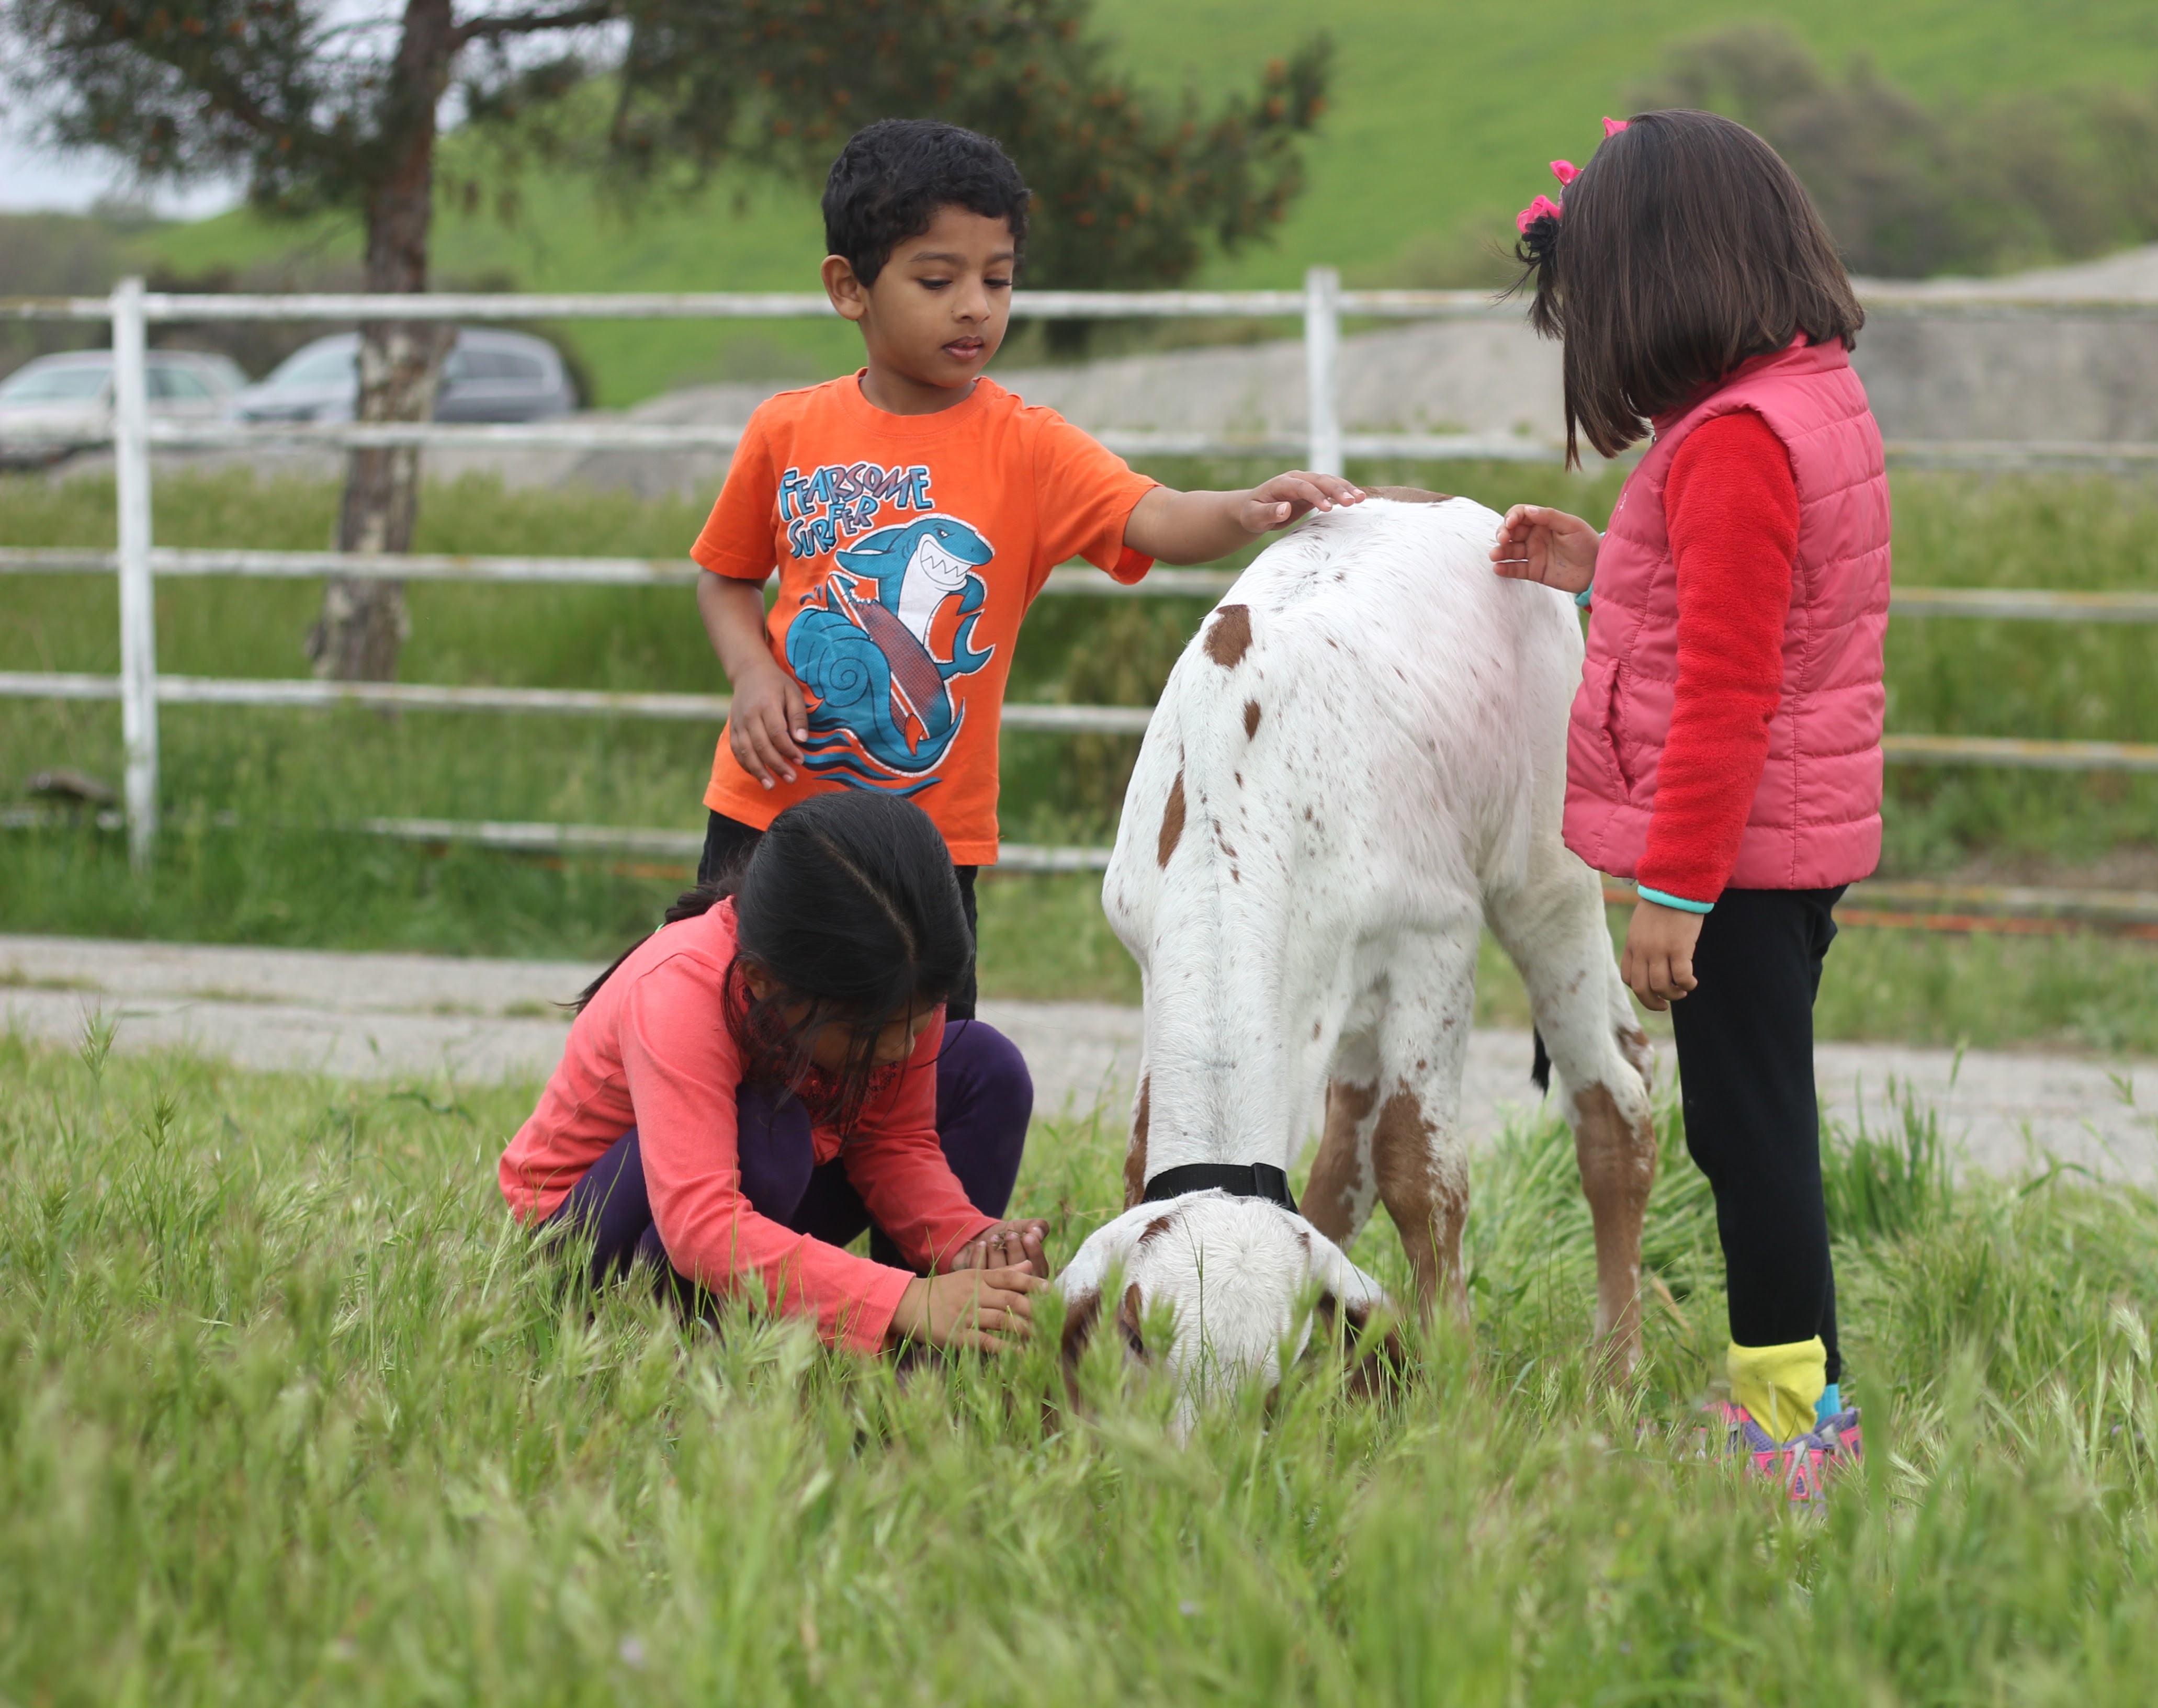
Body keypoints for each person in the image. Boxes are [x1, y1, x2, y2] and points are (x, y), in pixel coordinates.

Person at [688, 116, 1363, 1047]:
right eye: (938, 280)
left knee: (916, 1057)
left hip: (927, 840)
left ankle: (902, 1199)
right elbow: (724, 578)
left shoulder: (1030, 447)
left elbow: (1153, 515)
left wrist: (1245, 506)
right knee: (717, 1025)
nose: (975, 306)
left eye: (997, 279)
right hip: (768, 809)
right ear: (849, 287)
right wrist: (751, 676)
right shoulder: (786, 430)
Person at [1491, 110, 1889, 1499]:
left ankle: (1790, 1439)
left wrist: (1674, 893)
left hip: (1739, 855)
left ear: (1656, 286)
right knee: (1756, 1122)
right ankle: (1791, 1407)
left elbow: (1727, 693)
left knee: (1751, 1137)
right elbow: (1756, 603)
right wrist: (1611, 561)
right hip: (1779, 842)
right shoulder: (1798, 397)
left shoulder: (1732, 446)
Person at [499, 789, 1049, 1354]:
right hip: (593, 1239)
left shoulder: (895, 977)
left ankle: (920, 1364)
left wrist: (965, 1238)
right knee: (770, 1129)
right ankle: (680, 1348)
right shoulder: (682, 988)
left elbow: (893, 1140)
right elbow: (700, 1226)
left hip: (761, 1192)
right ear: (761, 982)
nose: (900, 1047)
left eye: (918, 1019)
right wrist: (902, 1299)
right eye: (869, 1031)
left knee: (986, 1065)